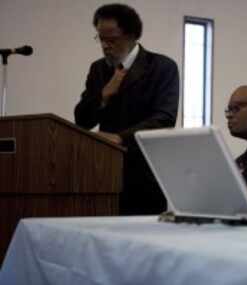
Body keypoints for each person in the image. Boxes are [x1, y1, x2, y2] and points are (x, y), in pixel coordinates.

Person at [74, 4, 179, 215]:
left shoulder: (161, 66)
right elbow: (82, 120)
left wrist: (120, 138)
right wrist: (102, 95)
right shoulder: (98, 69)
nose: (105, 46)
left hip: (144, 174)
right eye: (100, 39)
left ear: (131, 35)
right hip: (103, 174)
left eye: (112, 39)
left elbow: (164, 119)